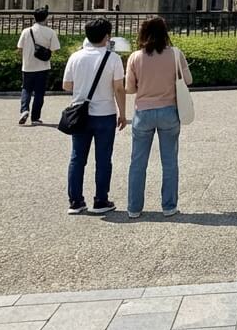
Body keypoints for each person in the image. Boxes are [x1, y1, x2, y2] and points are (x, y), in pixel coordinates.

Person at [125, 16, 192, 218]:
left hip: (143, 111)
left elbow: (129, 88)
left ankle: (134, 208)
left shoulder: (135, 57)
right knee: (170, 161)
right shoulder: (175, 54)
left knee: (138, 162)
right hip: (169, 110)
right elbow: (187, 79)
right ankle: (169, 206)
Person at [61, 18, 126, 215]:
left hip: (80, 113)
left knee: (77, 158)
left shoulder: (76, 57)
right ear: (107, 37)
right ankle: (101, 200)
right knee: (103, 159)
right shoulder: (112, 58)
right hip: (104, 113)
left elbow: (67, 85)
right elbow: (118, 89)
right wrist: (123, 113)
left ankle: (75, 201)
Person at [17, 6, 60, 126]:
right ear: (46, 18)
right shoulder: (50, 32)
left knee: (26, 89)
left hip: (28, 65)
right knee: (39, 93)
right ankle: (35, 117)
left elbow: (20, 48)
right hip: (43, 66)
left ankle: (24, 110)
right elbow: (54, 49)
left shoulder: (26, 31)